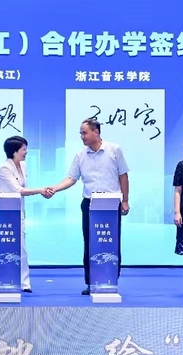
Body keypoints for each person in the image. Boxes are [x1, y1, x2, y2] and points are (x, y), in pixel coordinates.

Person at [45, 118, 130, 295]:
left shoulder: (114, 150)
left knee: (112, 241)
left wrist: (125, 200)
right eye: (81, 133)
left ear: (96, 132)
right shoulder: (80, 155)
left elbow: (123, 176)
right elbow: (71, 178)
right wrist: (55, 188)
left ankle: (111, 279)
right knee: (90, 242)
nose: (82, 136)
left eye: (84, 133)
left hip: (111, 203)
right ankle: (91, 282)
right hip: (90, 203)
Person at [0, 136, 48, 293]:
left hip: (19, 212)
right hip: (5, 214)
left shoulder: (23, 165)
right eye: (24, 149)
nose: (26, 152)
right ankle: (5, 280)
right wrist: (41, 190)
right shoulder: (4, 168)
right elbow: (18, 190)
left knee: (22, 248)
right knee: (5, 248)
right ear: (14, 152)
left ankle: (24, 283)